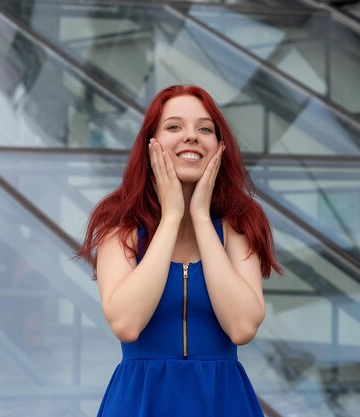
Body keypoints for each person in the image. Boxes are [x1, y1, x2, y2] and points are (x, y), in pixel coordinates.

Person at [77, 85, 281, 416]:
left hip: (224, 399)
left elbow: (242, 326)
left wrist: (200, 216)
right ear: (150, 144)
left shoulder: (239, 224)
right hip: (140, 400)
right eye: (174, 127)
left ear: (219, 146)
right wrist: (172, 217)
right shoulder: (120, 224)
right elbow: (126, 323)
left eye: (205, 129)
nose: (191, 137)